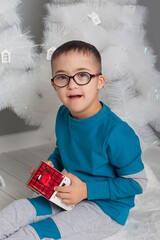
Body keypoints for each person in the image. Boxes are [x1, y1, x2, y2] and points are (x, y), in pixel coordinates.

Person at [0, 40, 147, 240]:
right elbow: (62, 150)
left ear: (99, 81)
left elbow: (137, 184)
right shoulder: (63, 115)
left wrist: (86, 190)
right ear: (54, 85)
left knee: (35, 233)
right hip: (68, 194)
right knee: (18, 210)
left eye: (82, 75)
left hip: (104, 209)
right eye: (62, 77)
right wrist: (53, 164)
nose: (72, 84)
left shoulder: (117, 133)